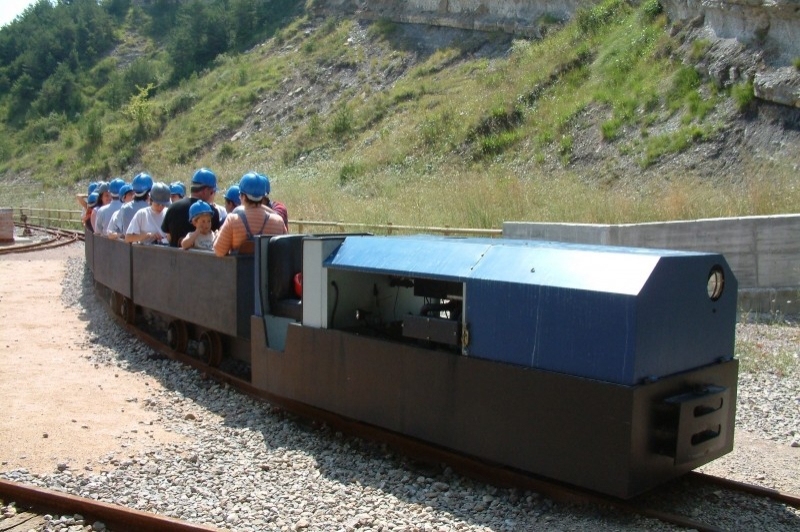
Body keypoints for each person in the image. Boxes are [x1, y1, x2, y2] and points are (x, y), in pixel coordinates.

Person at [214, 172, 287, 257]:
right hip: (269, 270)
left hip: (240, 270)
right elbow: (285, 250)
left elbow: (219, 251)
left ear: (243, 196)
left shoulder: (233, 220)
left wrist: (217, 235)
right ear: (263, 196)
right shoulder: (278, 222)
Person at [161, 168, 222, 247]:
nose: (213, 195)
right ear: (205, 191)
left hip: (175, 258)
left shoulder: (173, 207)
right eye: (212, 192)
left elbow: (168, 237)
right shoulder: (211, 212)